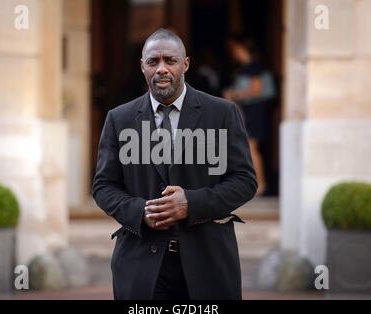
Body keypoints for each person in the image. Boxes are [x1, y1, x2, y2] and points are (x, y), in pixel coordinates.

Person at [92, 28, 257, 300]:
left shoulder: (223, 113)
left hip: (208, 264)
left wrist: (190, 204)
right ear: (142, 66)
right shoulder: (118, 119)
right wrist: (140, 212)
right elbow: (103, 186)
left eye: (170, 60)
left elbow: (244, 181)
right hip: (140, 267)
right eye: (153, 61)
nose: (161, 69)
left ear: (185, 64)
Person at [223, 37, 275, 196]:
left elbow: (256, 90)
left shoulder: (254, 66)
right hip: (251, 111)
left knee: (252, 147)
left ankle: (261, 185)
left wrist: (235, 94)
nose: (235, 54)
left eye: (237, 50)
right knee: (250, 147)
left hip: (255, 112)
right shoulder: (245, 68)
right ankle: (258, 184)